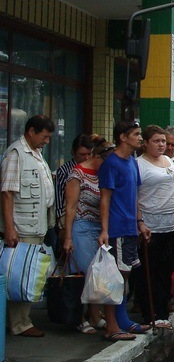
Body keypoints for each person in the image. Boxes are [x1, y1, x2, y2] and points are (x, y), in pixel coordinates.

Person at [1, 114, 56, 338]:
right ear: (31, 131)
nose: (47, 141)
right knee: (18, 274)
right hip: (22, 227)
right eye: (44, 136)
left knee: (28, 274)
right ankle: (19, 323)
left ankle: (21, 320)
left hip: (37, 225)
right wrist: (10, 228)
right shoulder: (16, 155)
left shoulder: (37, 154)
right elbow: (6, 194)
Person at [98, 119, 151, 341]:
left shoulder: (131, 162)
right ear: (123, 137)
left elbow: (135, 195)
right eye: (137, 134)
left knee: (125, 275)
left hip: (130, 227)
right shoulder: (111, 163)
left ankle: (123, 321)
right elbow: (105, 199)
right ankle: (111, 326)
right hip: (116, 228)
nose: (140, 138)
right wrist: (104, 230)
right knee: (114, 278)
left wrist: (140, 222)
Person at [62, 137, 117, 334]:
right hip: (82, 226)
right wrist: (68, 237)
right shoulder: (78, 173)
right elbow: (70, 206)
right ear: (97, 156)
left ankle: (95, 315)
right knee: (84, 272)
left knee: (98, 274)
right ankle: (80, 317)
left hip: (99, 227)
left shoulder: (105, 172)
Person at [135, 125, 174, 330]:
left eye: (163, 141)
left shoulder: (169, 161)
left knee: (167, 270)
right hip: (151, 226)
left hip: (173, 224)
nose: (162, 145)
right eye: (156, 141)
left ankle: (162, 312)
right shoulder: (138, 165)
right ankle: (150, 314)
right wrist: (140, 222)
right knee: (149, 272)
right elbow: (133, 196)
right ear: (145, 143)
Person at [55, 133, 97, 251]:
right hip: (71, 222)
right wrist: (62, 229)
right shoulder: (65, 171)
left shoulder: (95, 169)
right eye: (82, 154)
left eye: (89, 154)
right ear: (73, 153)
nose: (86, 158)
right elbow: (60, 202)